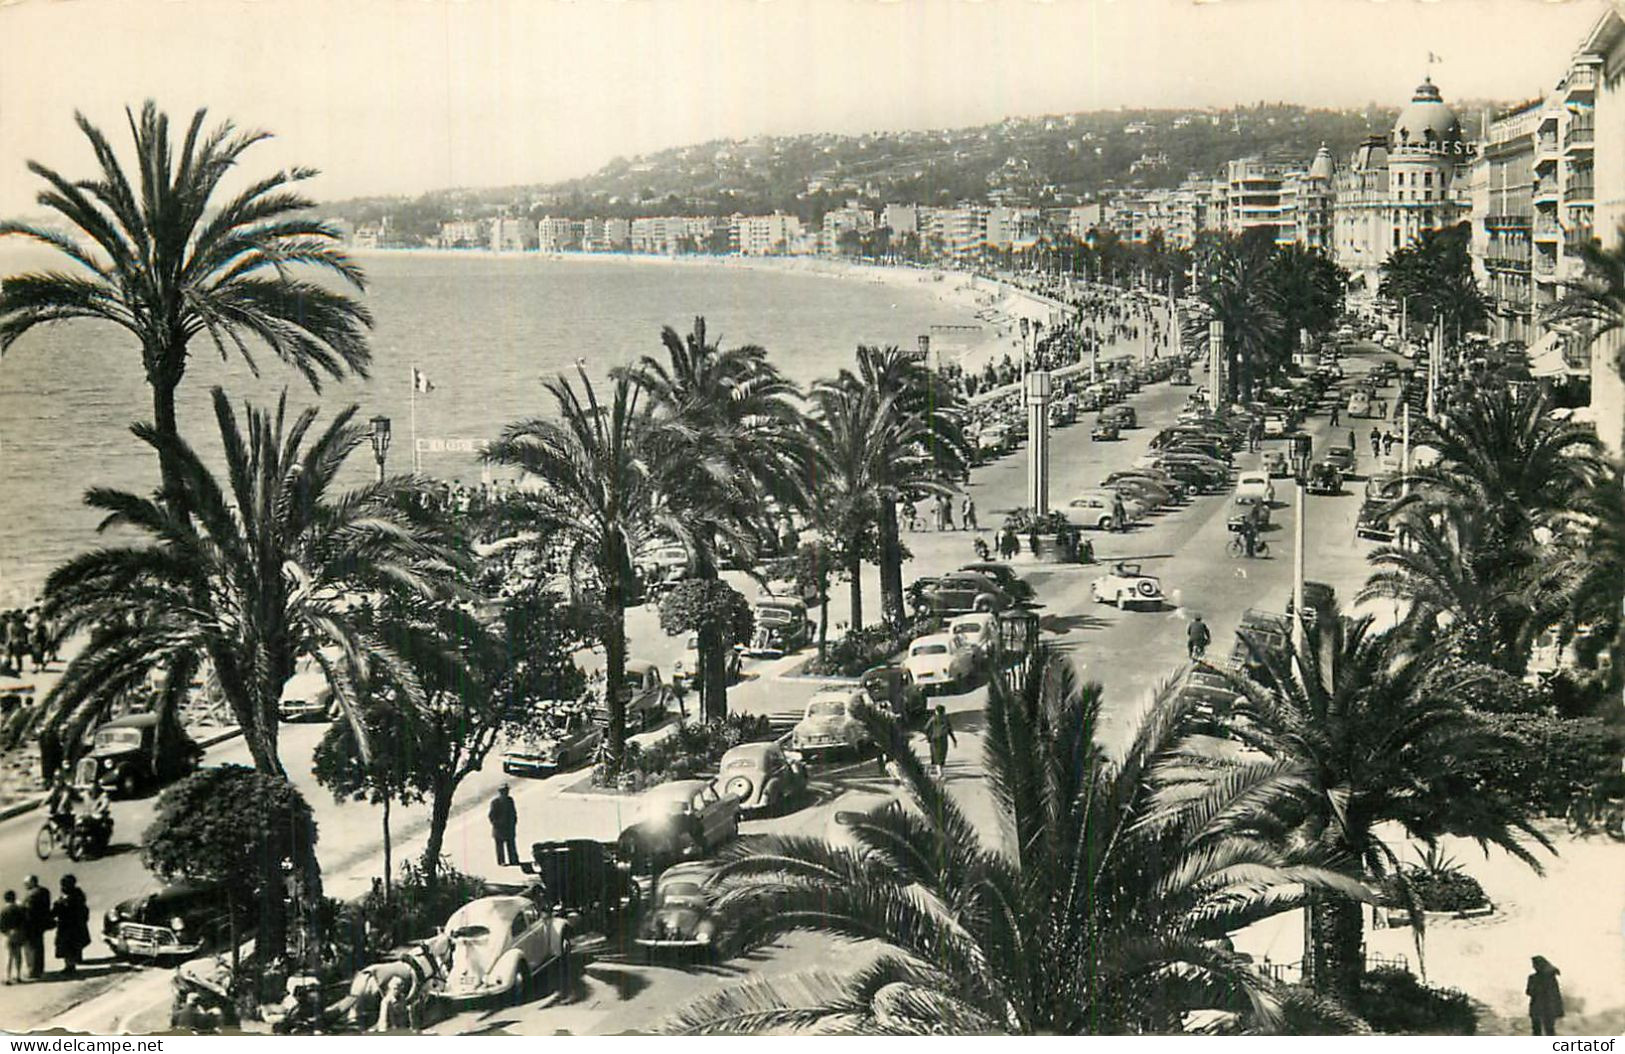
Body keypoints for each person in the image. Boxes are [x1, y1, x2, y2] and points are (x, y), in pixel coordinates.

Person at [51, 875, 89, 977]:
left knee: (68, 947)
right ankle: (76, 961)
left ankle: (70, 967)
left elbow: (59, 910)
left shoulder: (69, 898)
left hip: (67, 926)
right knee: (75, 945)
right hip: (77, 925)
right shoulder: (78, 895)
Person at [21, 876, 50, 980]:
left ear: (32, 883)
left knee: (31, 948)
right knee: (38, 947)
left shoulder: (32, 895)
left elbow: (29, 911)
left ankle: (33, 971)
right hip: (40, 924)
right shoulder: (44, 891)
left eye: (26, 883)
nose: (24, 886)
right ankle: (39, 969)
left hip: (31, 925)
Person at [1527, 956, 1564, 1035]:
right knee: (1548, 1031)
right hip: (1547, 1009)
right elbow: (1556, 995)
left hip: (1540, 1008)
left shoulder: (1534, 978)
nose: (1533, 966)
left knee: (1539, 1031)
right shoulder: (1550, 978)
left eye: (1534, 964)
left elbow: (1529, 992)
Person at [488, 785, 519, 867]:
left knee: (511, 844)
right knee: (499, 846)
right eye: (504, 791)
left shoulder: (510, 800)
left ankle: (514, 860)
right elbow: (491, 816)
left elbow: (513, 812)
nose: (506, 793)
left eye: (507, 791)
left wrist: (514, 822)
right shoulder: (495, 802)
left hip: (509, 827)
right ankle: (501, 861)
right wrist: (497, 824)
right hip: (499, 828)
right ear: (500, 792)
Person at [924, 705, 957, 780]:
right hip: (943, 740)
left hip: (934, 739)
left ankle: (939, 773)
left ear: (936, 711)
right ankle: (940, 772)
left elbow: (926, 728)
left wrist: (928, 737)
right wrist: (954, 740)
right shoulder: (946, 719)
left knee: (936, 756)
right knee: (942, 755)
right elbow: (950, 730)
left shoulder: (933, 719)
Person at [0, 891, 26, 984]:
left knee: (9, 956)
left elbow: (1, 924)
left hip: (8, 934)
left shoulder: (4, 910)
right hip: (18, 932)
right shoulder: (18, 909)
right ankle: (18, 975)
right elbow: (24, 921)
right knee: (18, 955)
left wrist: (5, 932)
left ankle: (8, 977)